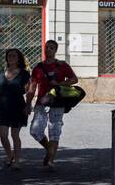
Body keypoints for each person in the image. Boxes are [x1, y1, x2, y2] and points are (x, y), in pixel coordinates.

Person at [26, 40, 78, 170]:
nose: (48, 49)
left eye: (51, 47)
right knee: (35, 131)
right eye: (46, 47)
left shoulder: (62, 65)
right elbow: (32, 87)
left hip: (57, 103)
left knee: (54, 132)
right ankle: (50, 149)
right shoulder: (38, 68)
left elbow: (74, 79)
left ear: (55, 50)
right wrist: (28, 103)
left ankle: (50, 161)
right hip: (42, 103)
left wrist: (60, 84)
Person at [0, 48, 31, 169]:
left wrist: (28, 105)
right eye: (9, 56)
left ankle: (17, 161)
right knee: (3, 135)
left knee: (15, 135)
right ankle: (9, 155)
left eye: (14, 56)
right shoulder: (1, 72)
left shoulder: (24, 73)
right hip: (4, 107)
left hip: (18, 106)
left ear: (18, 58)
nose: (11, 58)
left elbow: (28, 91)